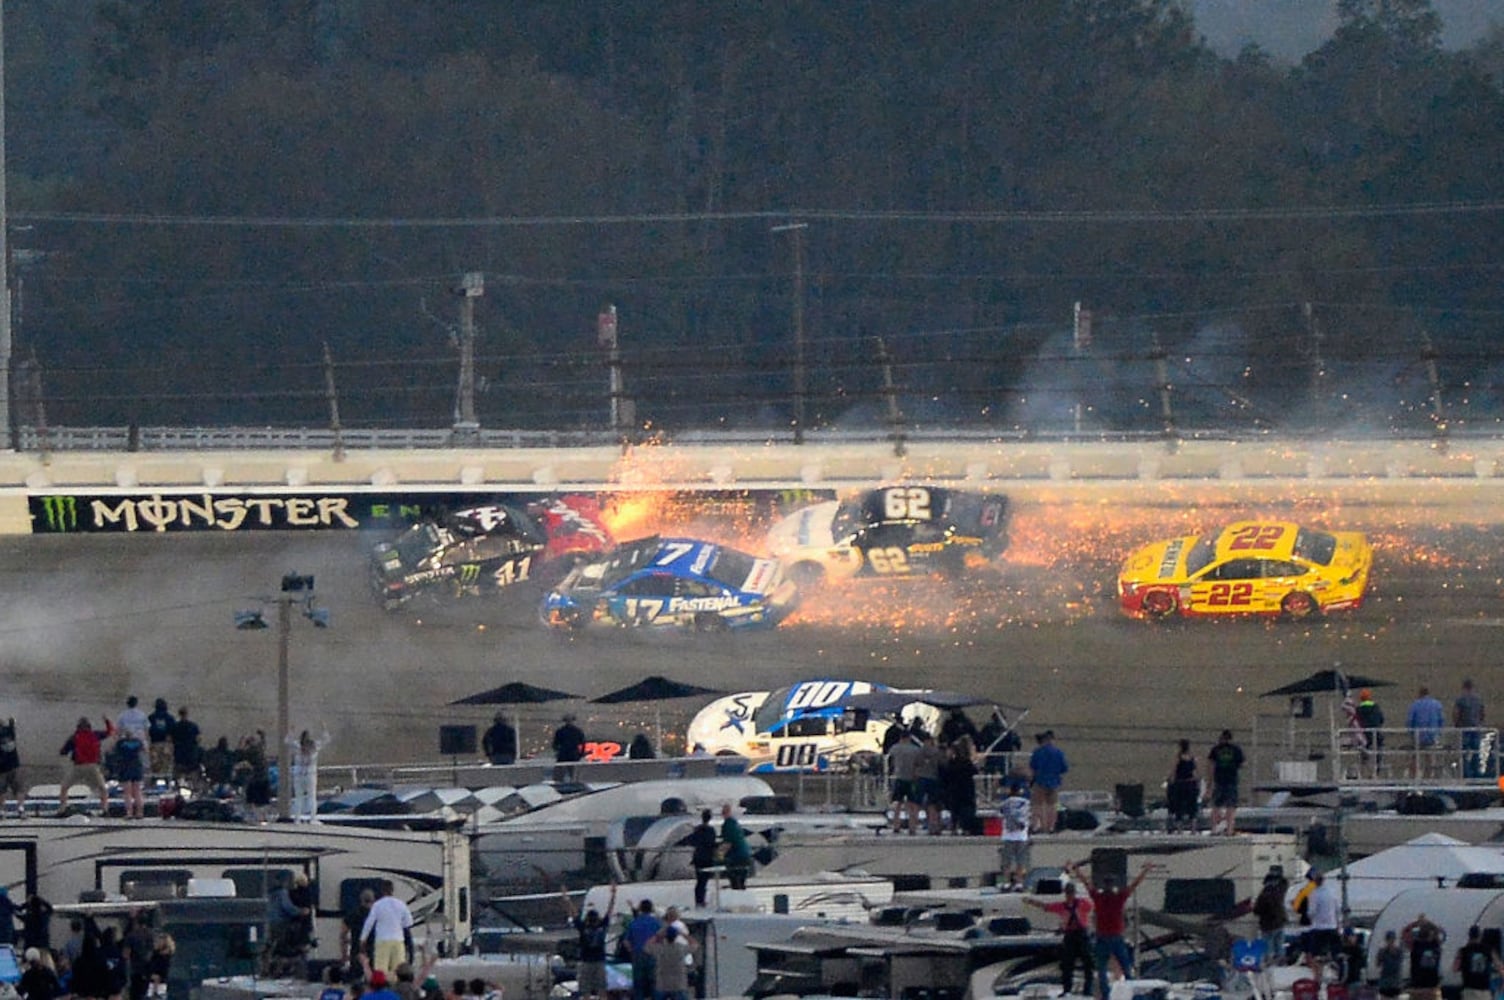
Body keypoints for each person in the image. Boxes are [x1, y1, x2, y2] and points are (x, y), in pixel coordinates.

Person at [1066, 860, 1152, 1000]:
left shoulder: (1098, 897)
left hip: (1102, 937)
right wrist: (1145, 871)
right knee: (1126, 968)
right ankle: (1134, 995)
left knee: (1102, 970)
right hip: (1116, 937)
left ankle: (1106, 996)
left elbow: (1087, 884)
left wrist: (1077, 870)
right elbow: (1134, 885)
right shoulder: (1119, 898)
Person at [1023, 881, 1094, 995]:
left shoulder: (1083, 903)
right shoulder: (1061, 906)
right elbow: (1046, 907)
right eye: (1068, 893)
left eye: (1071, 893)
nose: (1070, 896)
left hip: (1082, 934)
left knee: (1088, 962)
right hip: (1070, 935)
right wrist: (1032, 902)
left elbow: (1092, 909)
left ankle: (1088, 989)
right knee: (1067, 963)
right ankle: (1067, 989)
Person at [562, 882, 615, 1000]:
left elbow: (573, 913)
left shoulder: (583, 927)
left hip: (586, 961)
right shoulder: (602, 926)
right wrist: (613, 894)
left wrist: (566, 898)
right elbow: (610, 910)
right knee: (602, 989)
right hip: (600, 961)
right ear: (597, 919)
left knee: (585, 990)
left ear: (587, 919)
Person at [58, 716, 114, 815]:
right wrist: (107, 721)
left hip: (78, 767)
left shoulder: (75, 737)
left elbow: (63, 752)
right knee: (103, 788)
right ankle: (105, 809)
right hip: (93, 766)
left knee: (64, 787)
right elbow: (110, 732)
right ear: (89, 726)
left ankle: (62, 809)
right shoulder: (95, 735)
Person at [361, 880, 414, 976]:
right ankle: (396, 987)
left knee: (380, 969)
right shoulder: (401, 904)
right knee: (398, 969)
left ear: (382, 890)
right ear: (392, 890)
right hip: (398, 940)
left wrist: (363, 939)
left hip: (382, 940)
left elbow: (369, 923)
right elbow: (408, 923)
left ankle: (381, 986)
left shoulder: (378, 905)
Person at [1301, 871, 1341, 979]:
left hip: (1318, 928)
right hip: (1332, 927)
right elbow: (1338, 909)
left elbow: (1311, 912)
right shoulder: (1332, 892)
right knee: (1332, 955)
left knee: (1315, 956)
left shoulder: (1314, 894)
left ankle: (1317, 978)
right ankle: (1335, 976)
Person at [286, 727, 331, 823]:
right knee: (312, 796)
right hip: (310, 774)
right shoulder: (314, 746)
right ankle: (312, 818)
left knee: (298, 797)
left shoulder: (298, 746)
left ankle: (297, 819)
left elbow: (287, 741)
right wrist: (324, 728)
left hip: (298, 774)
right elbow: (327, 740)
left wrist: (291, 731)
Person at [1029, 730, 1068, 834]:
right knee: (1052, 805)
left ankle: (1038, 826)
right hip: (1054, 782)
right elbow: (1064, 768)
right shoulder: (1059, 752)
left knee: (1037, 804)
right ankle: (1050, 827)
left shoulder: (1037, 752)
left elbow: (1032, 767)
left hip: (1040, 781)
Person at [939, 736, 980, 835]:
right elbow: (974, 771)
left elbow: (946, 775)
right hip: (966, 788)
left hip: (954, 789)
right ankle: (966, 828)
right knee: (967, 809)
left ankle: (954, 827)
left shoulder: (952, 763)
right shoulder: (967, 762)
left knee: (955, 809)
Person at [1207, 730, 1245, 835]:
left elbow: (1211, 765)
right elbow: (1241, 764)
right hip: (1232, 780)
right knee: (1231, 807)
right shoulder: (1236, 749)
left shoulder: (1216, 749)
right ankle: (1229, 829)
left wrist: (1209, 783)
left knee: (1216, 806)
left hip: (1219, 780)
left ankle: (1214, 828)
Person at [644, 923, 696, 1000]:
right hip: (679, 984)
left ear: (665, 937)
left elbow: (646, 946)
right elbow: (695, 944)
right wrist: (682, 934)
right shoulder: (680, 948)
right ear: (675, 937)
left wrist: (657, 935)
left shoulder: (660, 949)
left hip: (662, 984)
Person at [996, 779, 1031, 890]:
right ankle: (1019, 883)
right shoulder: (1026, 803)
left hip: (1007, 835)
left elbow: (999, 815)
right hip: (1022, 836)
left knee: (1006, 861)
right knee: (1021, 861)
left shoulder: (1005, 803)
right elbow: (1029, 817)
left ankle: (1005, 882)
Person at [1402, 913, 1446, 1000]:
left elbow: (1404, 933)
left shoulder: (1415, 946)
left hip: (1417, 989)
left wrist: (1417, 923)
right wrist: (1429, 923)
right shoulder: (1436, 946)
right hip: (1432, 990)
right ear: (1432, 934)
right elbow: (1442, 934)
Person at [625, 900, 662, 1000]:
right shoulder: (656, 923)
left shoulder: (634, 923)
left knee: (638, 983)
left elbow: (626, 941)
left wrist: (632, 951)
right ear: (651, 909)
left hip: (638, 954)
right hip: (653, 954)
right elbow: (662, 939)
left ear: (640, 909)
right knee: (654, 983)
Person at [886, 725, 921, 834]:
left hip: (899, 777)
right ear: (909, 738)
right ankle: (912, 827)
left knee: (897, 803)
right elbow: (919, 764)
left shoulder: (895, 748)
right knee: (912, 804)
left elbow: (890, 761)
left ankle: (896, 825)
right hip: (912, 778)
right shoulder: (916, 750)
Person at [1252, 867, 1289, 965]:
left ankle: (1269, 961)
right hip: (1280, 921)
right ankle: (1281, 961)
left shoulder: (1264, 895)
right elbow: (1285, 883)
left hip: (1267, 924)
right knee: (1279, 944)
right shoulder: (1280, 892)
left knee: (1268, 945)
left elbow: (1257, 910)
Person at [1454, 923, 1501, 1000]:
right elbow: (1500, 967)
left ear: (1469, 936)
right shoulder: (1488, 950)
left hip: (1469, 990)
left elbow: (1455, 968)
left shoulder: (1463, 951)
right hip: (1484, 990)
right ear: (1480, 936)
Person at [1407, 686, 1446, 778]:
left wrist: (1410, 734)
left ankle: (1413, 777)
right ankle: (1428, 777)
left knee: (1415, 757)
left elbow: (1410, 721)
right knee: (1430, 758)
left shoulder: (1415, 705)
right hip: (1432, 736)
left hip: (1418, 736)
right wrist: (1439, 733)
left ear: (1419, 694)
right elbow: (1441, 720)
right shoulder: (1437, 704)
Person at [341, 888, 376, 983]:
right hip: (374, 951)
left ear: (361, 899)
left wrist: (344, 954)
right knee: (373, 981)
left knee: (355, 981)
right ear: (374, 900)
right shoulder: (377, 915)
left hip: (357, 950)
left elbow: (343, 934)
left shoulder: (353, 914)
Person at [1166, 738, 1199, 833]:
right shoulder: (1192, 758)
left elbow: (1173, 770)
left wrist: (1170, 779)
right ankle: (1193, 828)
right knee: (1192, 806)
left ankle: (1180, 829)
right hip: (1191, 783)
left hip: (1180, 784)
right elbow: (1195, 772)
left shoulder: (1178, 758)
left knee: (1179, 805)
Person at [913, 733, 944, 834]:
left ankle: (912, 826)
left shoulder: (918, 751)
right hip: (933, 778)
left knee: (917, 803)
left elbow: (915, 764)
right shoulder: (936, 752)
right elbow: (940, 764)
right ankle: (933, 826)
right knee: (932, 804)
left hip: (921, 778)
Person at [1455, 679, 1487, 778]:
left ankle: (1465, 773)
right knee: (1476, 751)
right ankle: (1476, 772)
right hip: (1476, 729)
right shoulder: (1478, 699)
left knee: (1464, 752)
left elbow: (1456, 713)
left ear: (1464, 687)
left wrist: (1457, 724)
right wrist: (1480, 723)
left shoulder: (1460, 699)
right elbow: (1483, 713)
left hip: (1464, 729)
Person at [114, 726, 147, 820]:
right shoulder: (138, 742)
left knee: (127, 792)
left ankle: (129, 813)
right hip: (136, 766)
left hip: (125, 767)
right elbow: (144, 750)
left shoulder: (121, 743)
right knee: (137, 792)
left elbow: (114, 751)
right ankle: (140, 812)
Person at [688, 809, 719, 908]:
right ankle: (701, 900)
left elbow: (692, 841)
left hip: (698, 858)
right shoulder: (711, 830)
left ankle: (699, 900)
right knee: (703, 881)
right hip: (707, 858)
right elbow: (711, 844)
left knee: (700, 881)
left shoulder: (697, 829)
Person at [720, 803, 753, 891]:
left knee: (734, 881)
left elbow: (728, 843)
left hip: (736, 857)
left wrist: (718, 856)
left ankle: (737, 899)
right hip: (745, 855)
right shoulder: (735, 823)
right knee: (741, 883)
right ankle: (743, 900)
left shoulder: (727, 825)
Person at [1356, 689, 1386, 777]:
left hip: (1364, 735)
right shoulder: (1375, 707)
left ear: (1361, 698)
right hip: (1376, 734)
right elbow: (1381, 719)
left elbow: (1357, 722)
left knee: (1363, 750)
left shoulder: (1358, 709)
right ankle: (1377, 768)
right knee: (1379, 748)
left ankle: (1364, 768)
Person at [170, 707, 203, 788]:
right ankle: (194, 789)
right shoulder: (193, 726)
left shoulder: (175, 726)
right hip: (191, 755)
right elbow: (199, 739)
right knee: (193, 775)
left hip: (179, 755)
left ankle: (177, 788)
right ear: (187, 714)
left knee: (178, 776)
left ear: (179, 714)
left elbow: (170, 739)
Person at [0, 717, 24, 817]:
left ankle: (1, 811)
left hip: (1, 769)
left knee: (2, 791)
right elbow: (12, 722)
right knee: (18, 789)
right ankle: (21, 808)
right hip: (14, 765)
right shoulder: (10, 733)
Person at [146, 698, 175, 777]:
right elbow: (173, 731)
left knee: (155, 765)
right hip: (166, 744)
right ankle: (165, 780)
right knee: (166, 765)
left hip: (154, 743)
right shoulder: (170, 718)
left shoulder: (151, 717)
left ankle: (155, 780)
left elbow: (148, 730)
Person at [1375, 929, 1406, 998]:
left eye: (1392, 939)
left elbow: (1398, 964)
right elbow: (1378, 964)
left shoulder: (1399, 951)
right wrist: (1381, 955)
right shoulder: (1382, 951)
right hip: (1385, 981)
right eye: (1389, 939)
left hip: (1395, 982)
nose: (1391, 941)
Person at [552, 715, 586, 779]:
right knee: (561, 773)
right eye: (568, 721)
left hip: (570, 754)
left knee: (573, 773)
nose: (569, 722)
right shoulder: (561, 731)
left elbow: (583, 743)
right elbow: (555, 743)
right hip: (566, 754)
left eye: (570, 721)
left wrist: (581, 753)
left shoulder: (577, 731)